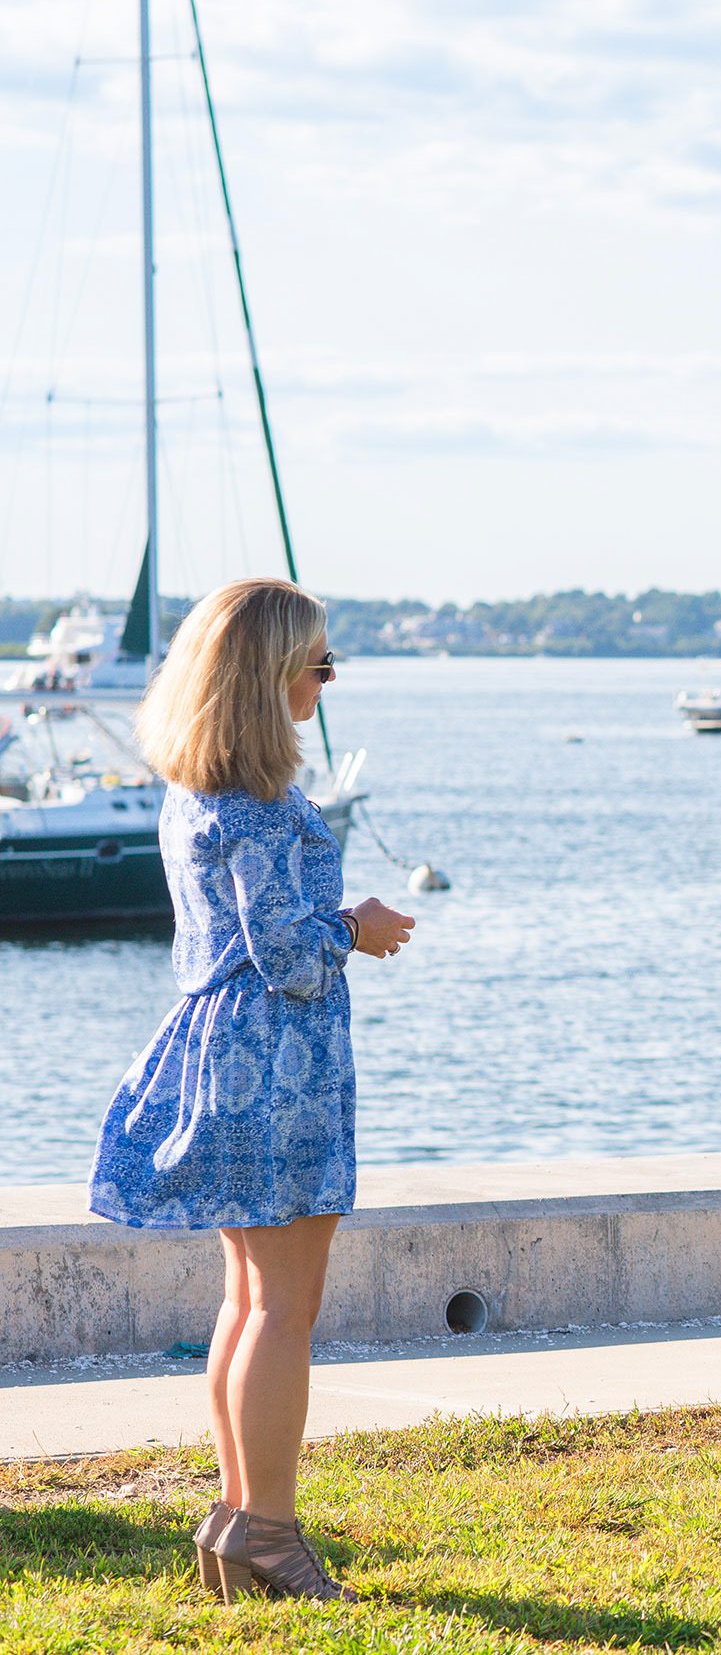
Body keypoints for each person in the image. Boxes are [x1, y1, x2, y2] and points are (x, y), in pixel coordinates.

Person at [89, 577, 416, 1600]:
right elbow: (290, 956)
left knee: (248, 1296)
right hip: (275, 1059)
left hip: (225, 1053)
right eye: (316, 661)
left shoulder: (196, 788)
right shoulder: (262, 805)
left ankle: (240, 1517)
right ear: (268, 677)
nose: (327, 676)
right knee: (284, 1306)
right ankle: (266, 1529)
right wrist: (357, 925)